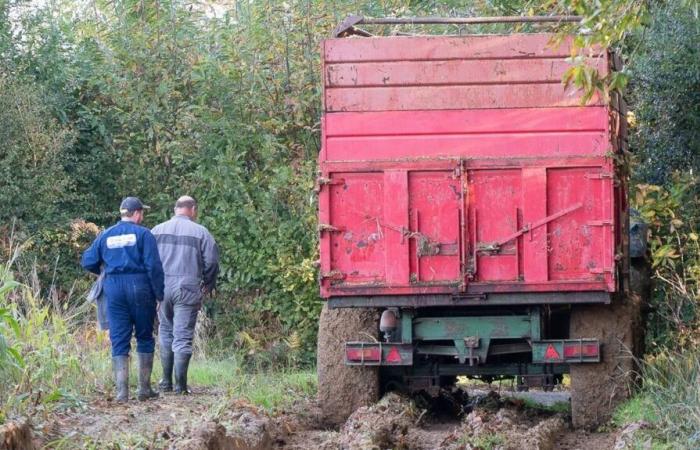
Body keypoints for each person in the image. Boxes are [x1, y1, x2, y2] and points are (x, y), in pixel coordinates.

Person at [81, 197, 165, 402]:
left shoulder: (105, 235)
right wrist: (160, 294)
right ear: (137, 213)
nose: (142, 216)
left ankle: (122, 392)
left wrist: (105, 270)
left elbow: (88, 260)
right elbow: (153, 267)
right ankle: (144, 389)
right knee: (144, 335)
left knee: (119, 338)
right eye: (142, 212)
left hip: (114, 288)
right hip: (140, 286)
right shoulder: (144, 234)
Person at [152, 196, 219, 394]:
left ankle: (165, 383)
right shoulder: (201, 232)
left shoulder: (156, 230)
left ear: (175, 209)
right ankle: (180, 386)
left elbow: (148, 259)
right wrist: (208, 283)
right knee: (182, 336)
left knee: (165, 331)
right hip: (188, 288)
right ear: (193, 209)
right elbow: (212, 261)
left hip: (162, 287)